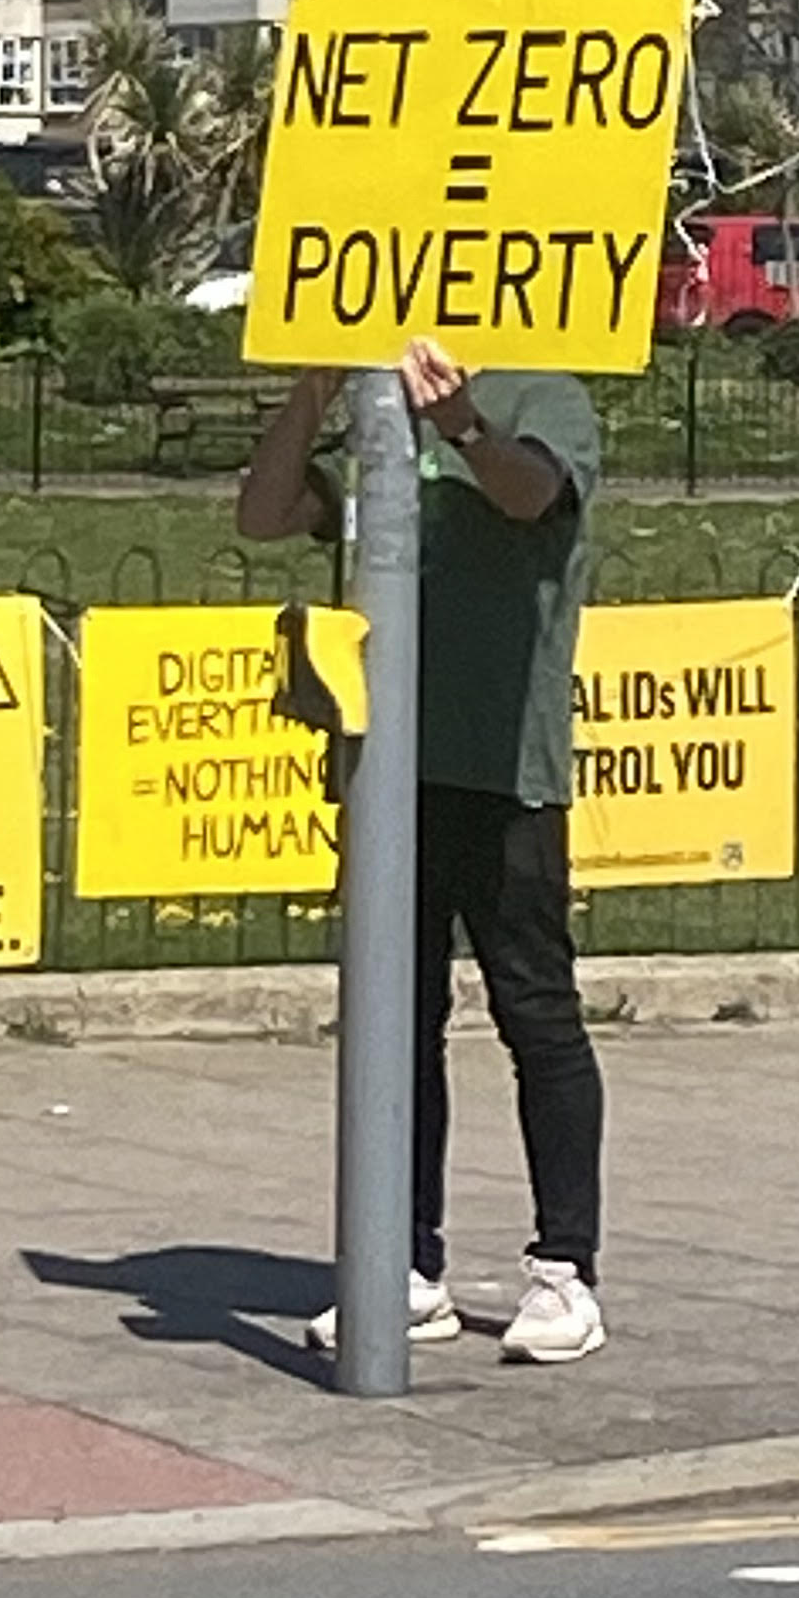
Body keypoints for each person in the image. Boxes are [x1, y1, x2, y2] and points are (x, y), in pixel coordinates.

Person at [236, 336, 607, 1367]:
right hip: (386, 769)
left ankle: (565, 1269)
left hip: (502, 765)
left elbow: (533, 495)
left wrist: (463, 427)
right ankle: (404, 1262)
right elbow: (264, 514)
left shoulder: (543, 391)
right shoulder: (371, 397)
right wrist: (313, 394)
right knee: (397, 1020)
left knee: (535, 1011)